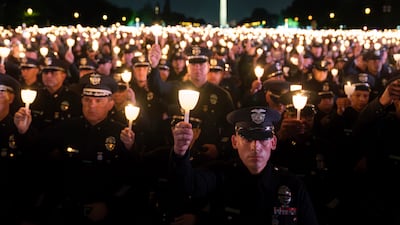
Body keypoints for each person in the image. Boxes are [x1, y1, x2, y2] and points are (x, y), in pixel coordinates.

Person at [14, 72, 143, 225]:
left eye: (98, 100)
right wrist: (24, 132)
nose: (92, 105)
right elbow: (36, 153)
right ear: (81, 101)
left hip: (106, 211)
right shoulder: (67, 127)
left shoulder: (122, 134)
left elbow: (134, 177)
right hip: (67, 208)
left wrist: (109, 204)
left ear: (110, 104)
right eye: (87, 100)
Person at [169, 106, 319, 225]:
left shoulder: (291, 185)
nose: (255, 147)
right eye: (248, 139)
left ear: (273, 142)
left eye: (262, 139)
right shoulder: (220, 174)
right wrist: (180, 153)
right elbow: (188, 186)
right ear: (235, 142)